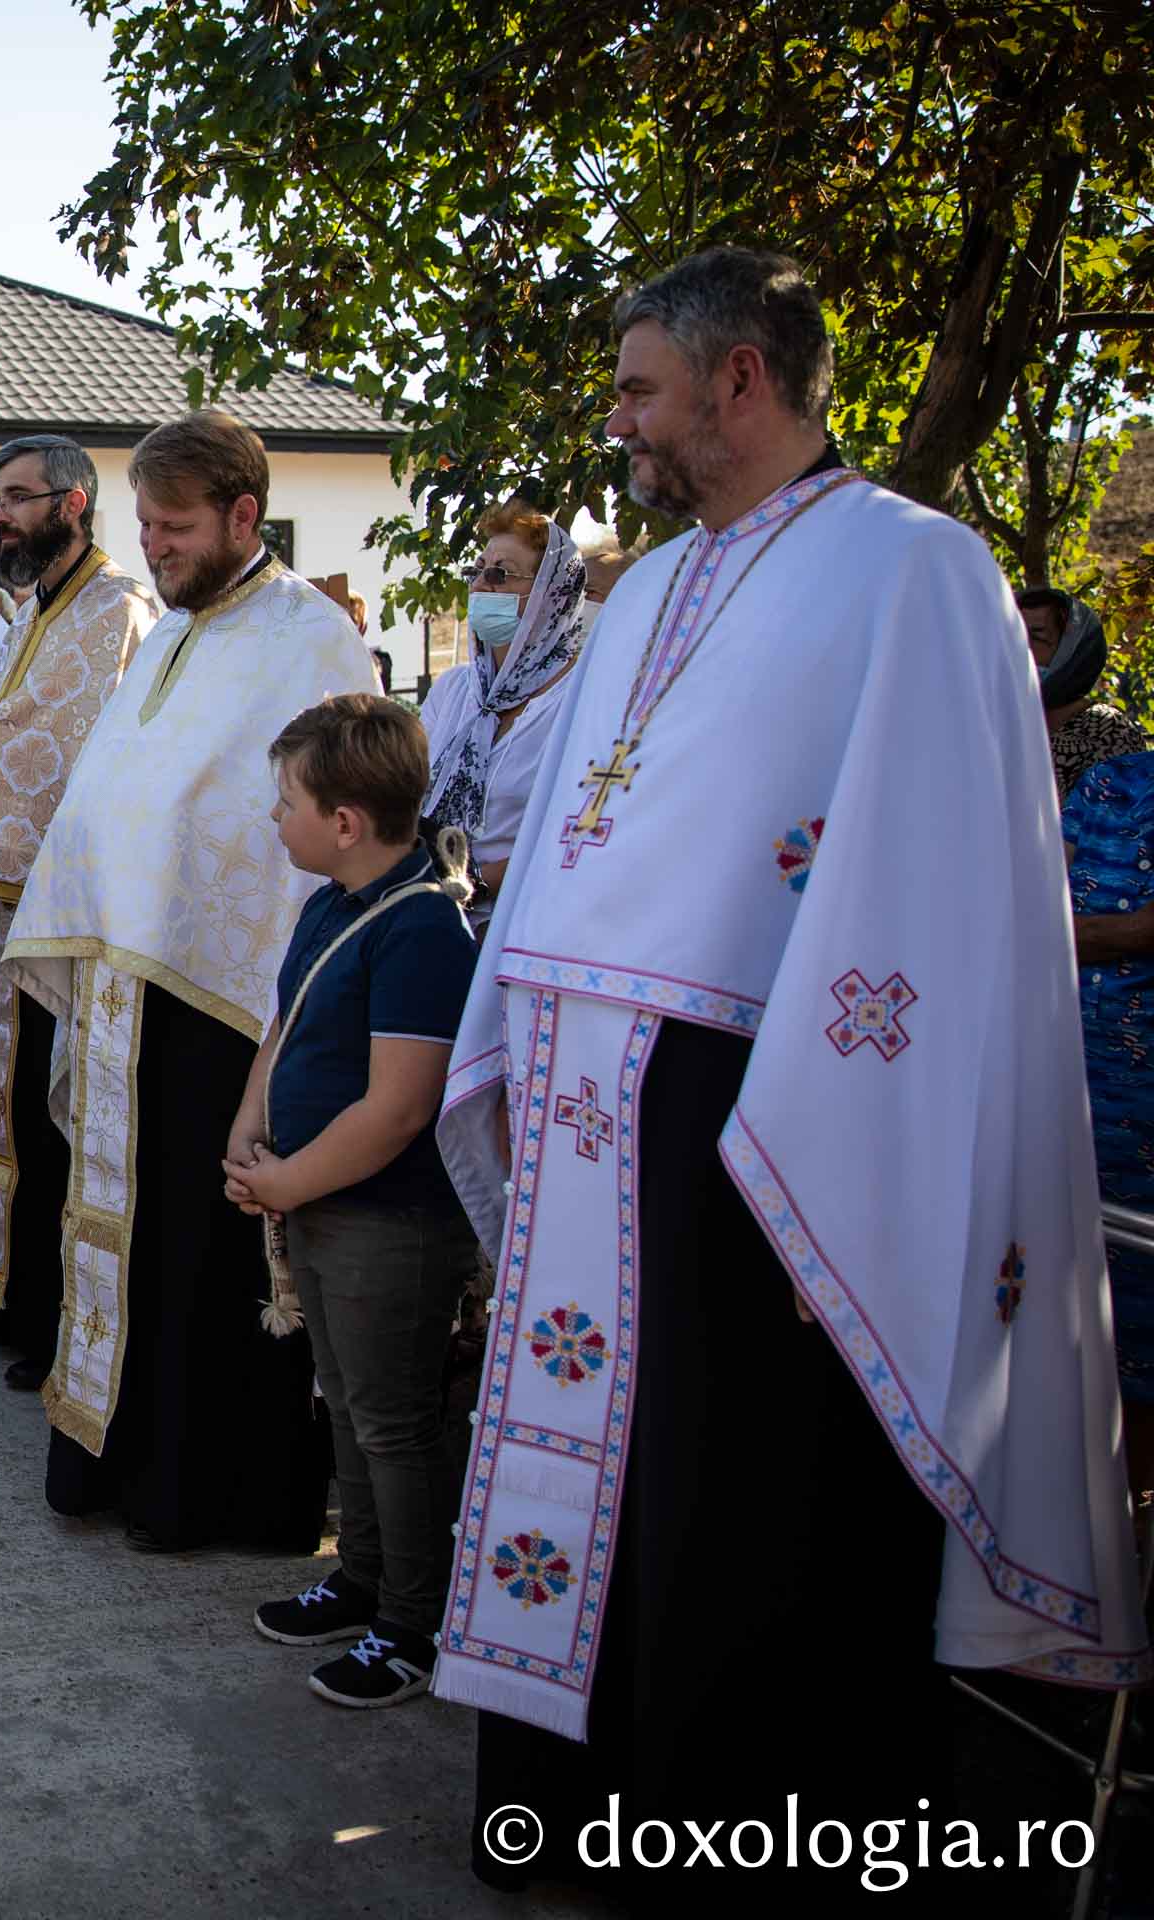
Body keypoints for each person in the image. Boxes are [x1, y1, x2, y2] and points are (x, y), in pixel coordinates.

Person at [436, 248, 1143, 1896]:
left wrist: (827, 1094)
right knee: (604, 1461)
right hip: (596, 1101)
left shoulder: (915, 570)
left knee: (739, 1484)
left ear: (741, 379)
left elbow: (933, 867)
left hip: (774, 1116)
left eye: (639, 391)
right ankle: (573, 1790)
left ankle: (729, 1833)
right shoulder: (650, 588)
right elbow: (574, 838)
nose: (618, 425)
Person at [10, 411, 368, 1550]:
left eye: (173, 528)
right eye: (146, 527)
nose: (153, 548)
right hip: (131, 991)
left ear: (242, 516)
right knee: (128, 1235)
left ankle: (210, 1493)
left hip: (234, 1001)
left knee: (205, 1252)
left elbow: (323, 833)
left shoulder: (310, 640)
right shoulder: (168, 636)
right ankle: (112, 1470)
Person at [227, 694, 480, 1708]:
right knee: (347, 1404)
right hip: (325, 1204)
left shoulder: (421, 929)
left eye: (285, 800)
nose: (273, 818)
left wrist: (286, 1178)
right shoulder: (332, 901)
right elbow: (284, 1026)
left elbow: (400, 1108)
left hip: (389, 1223)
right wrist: (249, 1124)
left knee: (396, 1425)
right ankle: (365, 1578)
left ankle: (412, 1622)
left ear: (344, 820)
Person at [0, 435, 159, 1388]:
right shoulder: (31, 612)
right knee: (3, 1103)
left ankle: (50, 1318)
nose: (0, 518)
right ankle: (3, 1289)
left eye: (17, 499)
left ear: (73, 504)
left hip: (63, 903)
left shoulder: (120, 613)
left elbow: (97, 752)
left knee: (46, 1105)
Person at [418, 502, 590, 924]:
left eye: (500, 574)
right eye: (476, 571)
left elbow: (569, 832)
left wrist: (467, 885)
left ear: (553, 595)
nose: (480, 585)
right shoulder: (455, 689)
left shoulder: (579, 699)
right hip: (428, 913)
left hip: (516, 922)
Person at [1065, 749, 1154, 1470]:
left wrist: (1051, 936)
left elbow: (1143, 930)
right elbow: (1035, 880)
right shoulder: (1111, 779)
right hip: (1074, 1082)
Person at [1023, 588, 1146, 797]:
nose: (1022, 649)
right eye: (1014, 637)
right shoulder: (998, 724)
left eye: (1036, 638)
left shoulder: (1108, 732)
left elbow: (1116, 822)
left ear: (1072, 653)